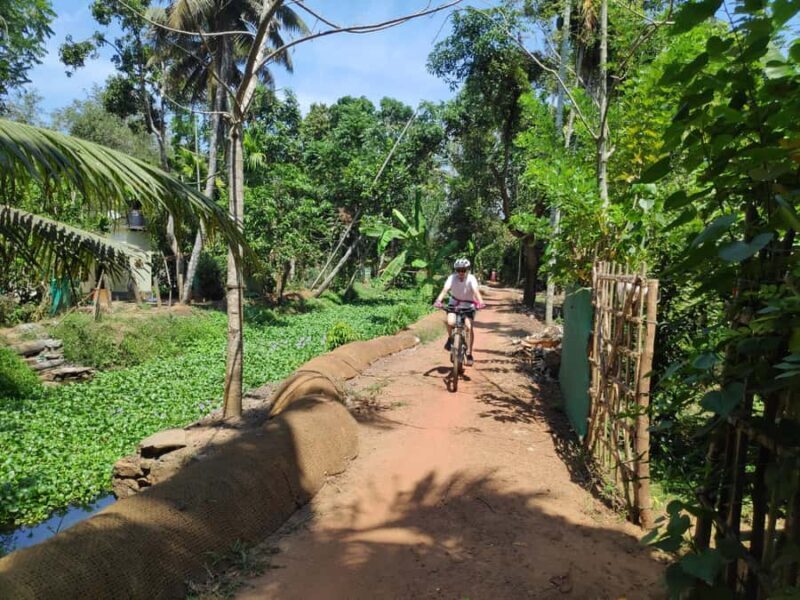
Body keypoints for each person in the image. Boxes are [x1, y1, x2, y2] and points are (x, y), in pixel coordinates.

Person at [434, 258, 486, 366]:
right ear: (456, 270)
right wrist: (438, 300)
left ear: (467, 270)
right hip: (454, 304)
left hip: (468, 305)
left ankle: (469, 353)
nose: (461, 272)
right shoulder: (452, 278)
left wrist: (480, 302)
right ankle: (450, 338)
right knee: (450, 322)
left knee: (469, 326)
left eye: (463, 270)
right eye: (459, 270)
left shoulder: (471, 278)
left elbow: (476, 291)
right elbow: (445, 289)